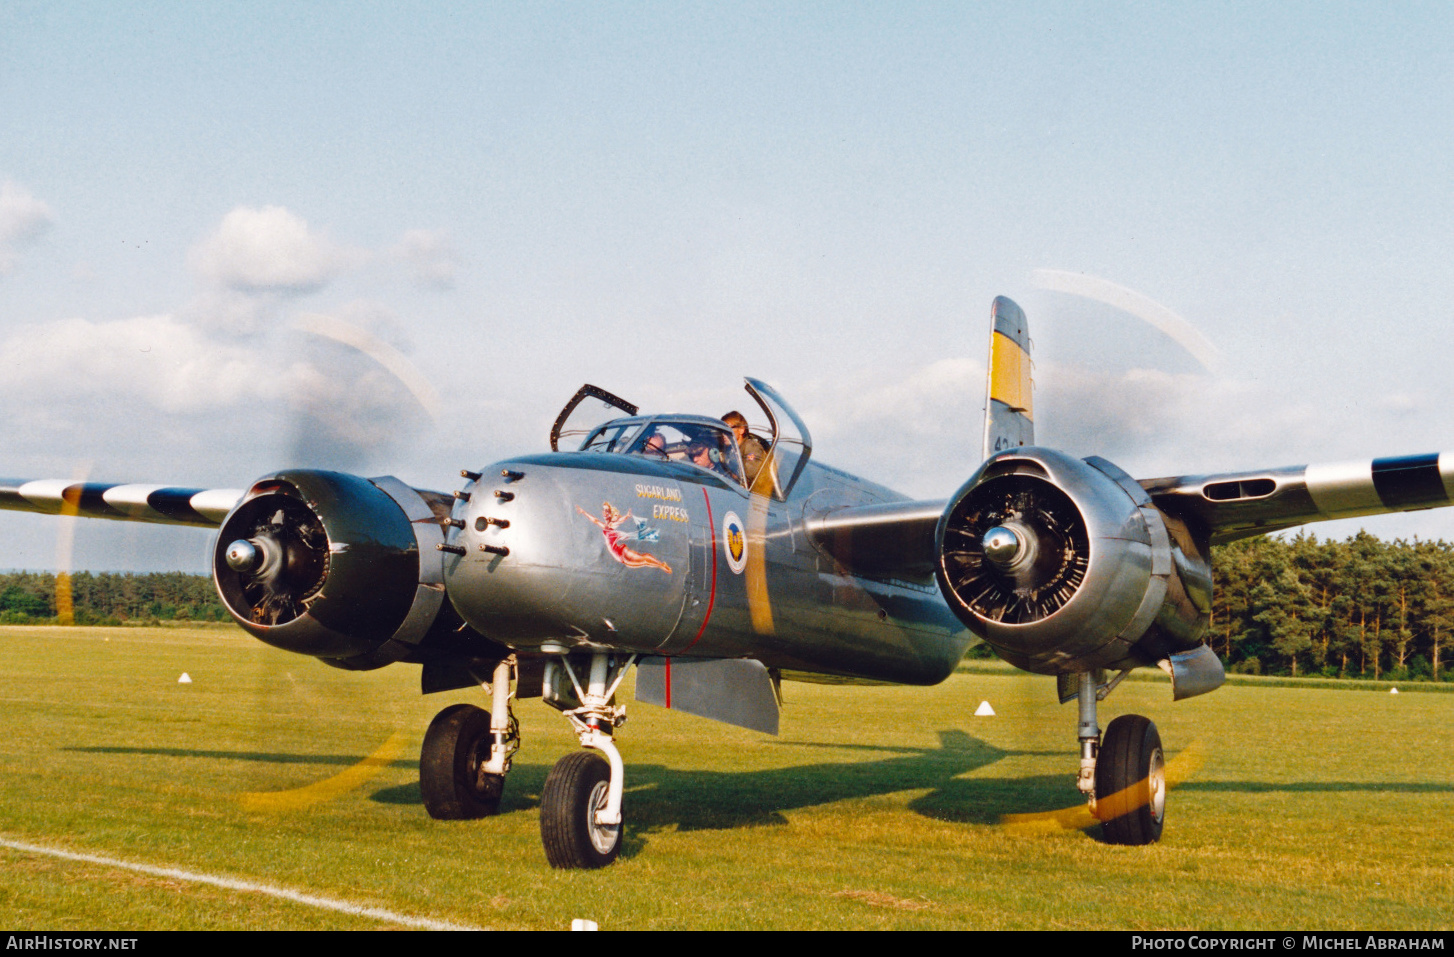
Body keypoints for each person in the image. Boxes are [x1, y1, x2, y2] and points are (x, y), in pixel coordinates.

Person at [722, 411, 771, 489]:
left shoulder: (751, 447)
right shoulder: (729, 450)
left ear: (741, 430)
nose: (723, 434)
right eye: (722, 430)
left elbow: (748, 476)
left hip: (757, 496)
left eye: (727, 429)